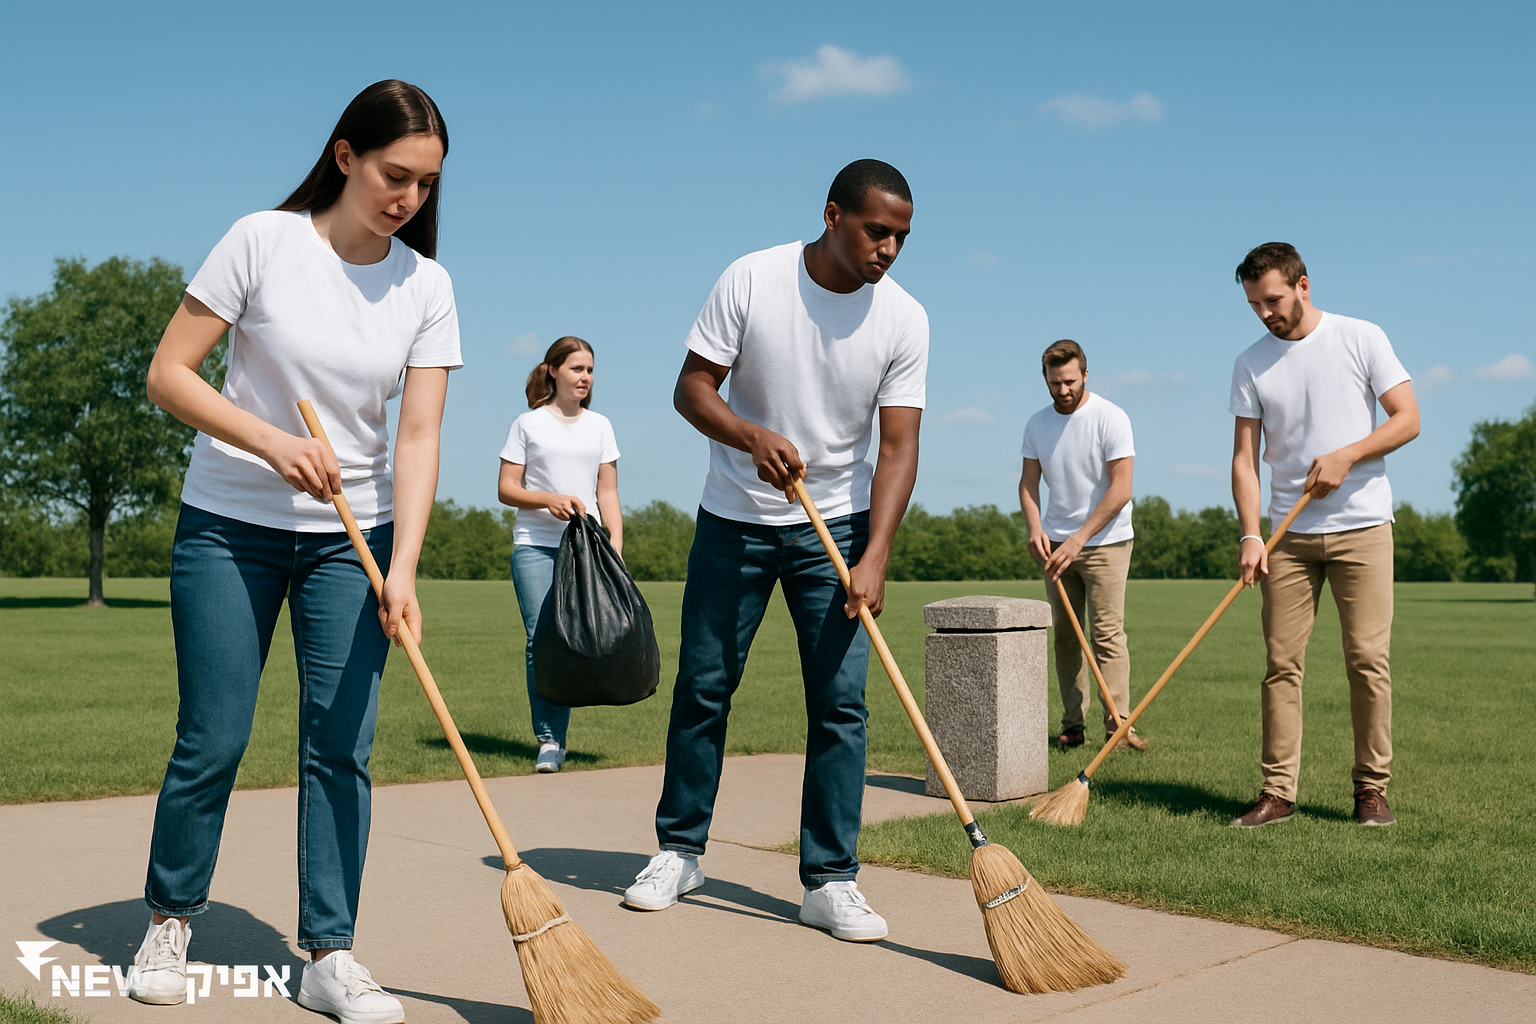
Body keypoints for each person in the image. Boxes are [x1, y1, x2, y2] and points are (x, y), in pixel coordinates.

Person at [133, 81, 460, 1022]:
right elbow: (168, 374)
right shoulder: (261, 240)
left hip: (349, 546)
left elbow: (418, 437)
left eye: (426, 185)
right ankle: (168, 918)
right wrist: (271, 442)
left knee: (340, 746)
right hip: (229, 529)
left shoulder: (426, 286)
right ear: (347, 155)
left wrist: (400, 569)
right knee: (215, 735)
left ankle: (330, 951)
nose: (407, 198)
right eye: (394, 174)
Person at [622, 159, 927, 942]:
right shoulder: (753, 279)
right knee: (704, 689)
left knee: (841, 705)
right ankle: (680, 850)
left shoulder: (905, 319)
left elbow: (897, 449)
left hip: (840, 525)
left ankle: (830, 878)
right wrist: (749, 434)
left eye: (900, 236)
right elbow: (692, 388)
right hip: (735, 519)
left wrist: (876, 556)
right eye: (875, 230)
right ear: (832, 215)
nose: (888, 248)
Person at [1228, 242, 1419, 829]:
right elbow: (1244, 458)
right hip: (1287, 540)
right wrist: (1251, 536)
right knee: (1281, 664)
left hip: (1362, 527)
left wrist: (1348, 455)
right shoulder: (1250, 362)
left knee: (1367, 660)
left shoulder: (1361, 337)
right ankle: (1278, 793)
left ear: (1304, 285)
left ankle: (1371, 791)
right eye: (1255, 304)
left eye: (1274, 300)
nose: (1266, 313)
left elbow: (1408, 418)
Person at [497, 336, 622, 773]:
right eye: (576, 369)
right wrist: (546, 499)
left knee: (580, 639)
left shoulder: (601, 426)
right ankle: (550, 739)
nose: (585, 377)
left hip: (586, 549)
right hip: (534, 546)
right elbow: (506, 489)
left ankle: (568, 722)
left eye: (589, 370)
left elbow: (607, 491)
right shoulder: (527, 424)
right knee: (541, 640)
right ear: (553, 370)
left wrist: (616, 545)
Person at [1018, 339, 1145, 751]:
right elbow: (1028, 484)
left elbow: (1122, 489)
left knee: (1107, 634)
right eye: (1055, 383)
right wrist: (1036, 526)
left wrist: (1079, 538)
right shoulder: (1037, 424)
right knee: (1066, 637)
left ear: (1086, 375)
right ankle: (1072, 725)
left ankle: (1118, 728)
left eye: (1070, 381)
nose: (1063, 390)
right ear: (1046, 381)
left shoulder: (1110, 418)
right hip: (1055, 547)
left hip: (1105, 542)